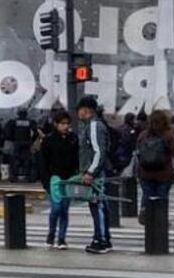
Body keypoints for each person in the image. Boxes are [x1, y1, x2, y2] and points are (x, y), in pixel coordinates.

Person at [75, 95, 112, 254]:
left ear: (85, 110)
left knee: (98, 206)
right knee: (98, 206)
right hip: (95, 172)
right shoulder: (92, 126)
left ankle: (101, 240)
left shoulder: (94, 126)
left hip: (95, 174)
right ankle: (103, 237)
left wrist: (90, 172)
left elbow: (98, 152)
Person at [40, 110, 78, 250]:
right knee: (56, 208)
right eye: (62, 124)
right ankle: (51, 234)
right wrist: (46, 182)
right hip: (53, 179)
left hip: (68, 179)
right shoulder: (48, 140)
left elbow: (76, 159)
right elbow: (43, 163)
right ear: (56, 124)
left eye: (67, 124)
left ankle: (61, 238)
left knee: (64, 209)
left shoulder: (73, 139)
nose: (65, 126)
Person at [135, 109, 174, 225]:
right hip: (163, 173)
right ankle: (161, 218)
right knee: (162, 197)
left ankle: (145, 212)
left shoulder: (143, 135)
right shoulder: (169, 135)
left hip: (145, 172)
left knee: (147, 194)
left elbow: (138, 153)